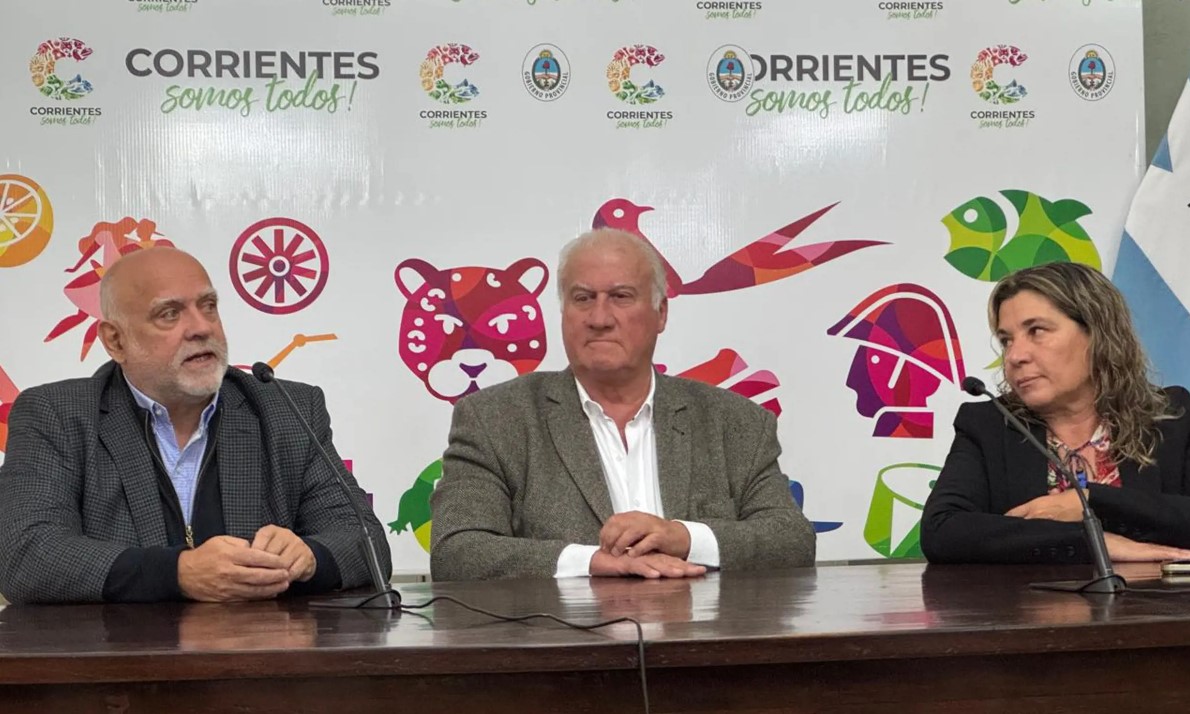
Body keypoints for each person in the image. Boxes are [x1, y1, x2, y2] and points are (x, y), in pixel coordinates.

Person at [0, 247, 390, 604]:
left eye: (209, 307)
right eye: (169, 314)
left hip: (260, 651)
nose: (201, 327)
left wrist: (310, 558)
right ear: (115, 341)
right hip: (120, 653)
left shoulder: (286, 409)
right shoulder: (58, 415)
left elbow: (365, 539)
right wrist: (178, 573)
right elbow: (25, 555)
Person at [430, 228, 815, 580]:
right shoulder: (495, 419)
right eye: (583, 298)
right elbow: (457, 551)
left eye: (621, 297)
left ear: (660, 313)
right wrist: (593, 562)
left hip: (703, 632)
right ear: (564, 313)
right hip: (563, 632)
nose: (600, 318)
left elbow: (791, 540)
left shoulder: (734, 421)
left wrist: (683, 537)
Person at [922, 262, 1190, 564]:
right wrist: (1090, 541)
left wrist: (1092, 501)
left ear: (1098, 333)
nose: (1014, 356)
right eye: (1006, 340)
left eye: (1036, 331)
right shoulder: (990, 424)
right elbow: (941, 530)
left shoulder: (1173, 415)